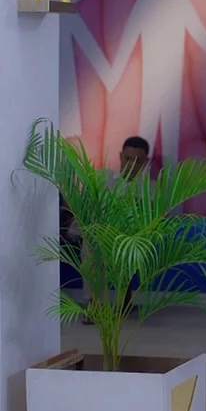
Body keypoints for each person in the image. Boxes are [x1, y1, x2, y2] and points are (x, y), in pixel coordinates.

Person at [69, 135, 152, 324]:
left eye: (138, 161)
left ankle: (112, 303)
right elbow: (85, 207)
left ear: (146, 161)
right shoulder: (102, 178)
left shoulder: (149, 189)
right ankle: (95, 304)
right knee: (92, 245)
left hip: (129, 239)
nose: (131, 166)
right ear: (121, 156)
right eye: (128, 159)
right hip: (99, 235)